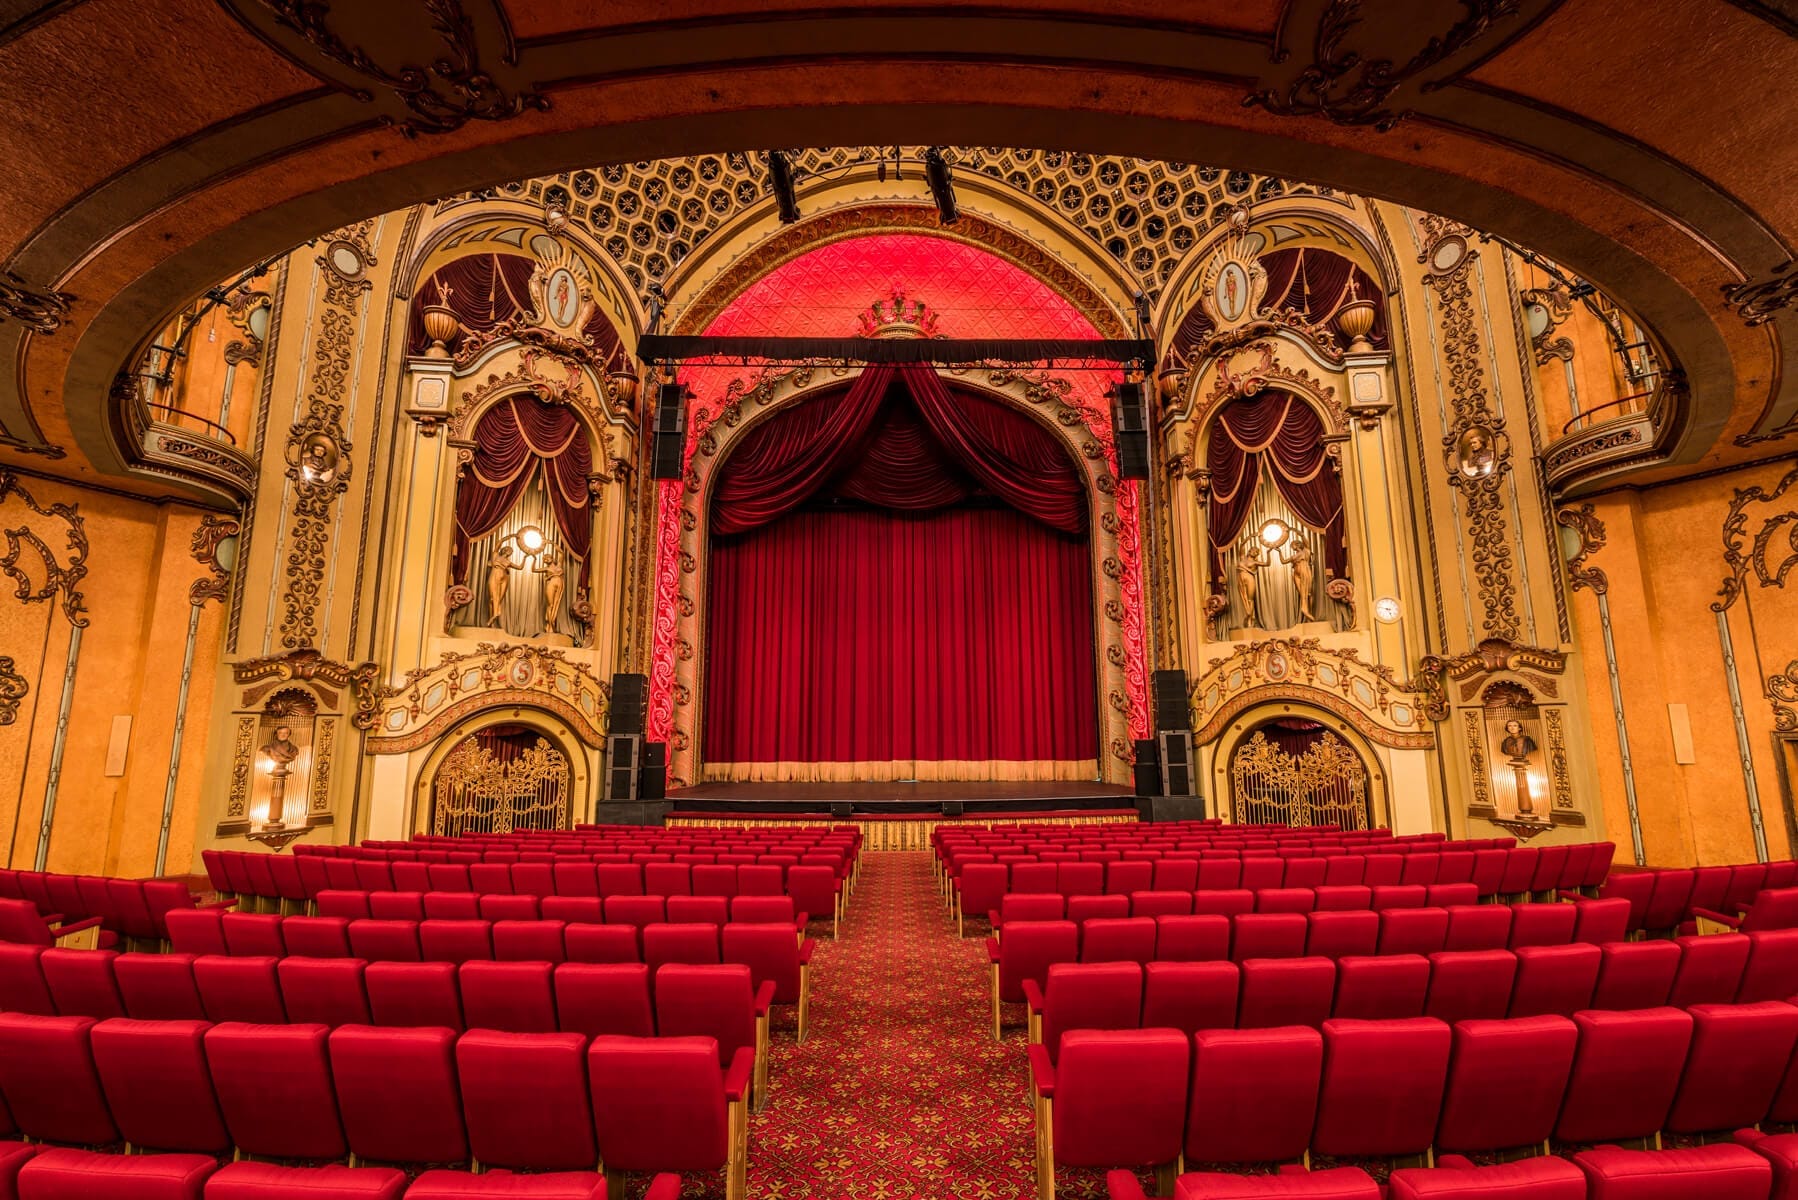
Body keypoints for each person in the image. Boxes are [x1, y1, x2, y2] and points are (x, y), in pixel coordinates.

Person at [487, 543, 522, 628]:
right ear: (505, 550)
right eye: (510, 550)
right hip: (495, 575)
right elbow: (497, 546)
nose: (511, 552)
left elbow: (520, 567)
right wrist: (506, 538)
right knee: (492, 598)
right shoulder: (496, 555)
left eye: (512, 551)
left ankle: (494, 618)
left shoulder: (508, 561)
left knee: (499, 598)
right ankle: (494, 615)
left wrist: (525, 558)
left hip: (504, 578)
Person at [1236, 537, 1266, 627]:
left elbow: (1267, 563)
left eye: (1256, 552)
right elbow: (1241, 545)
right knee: (1244, 598)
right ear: (1249, 551)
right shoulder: (1242, 557)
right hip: (1241, 578)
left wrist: (1268, 553)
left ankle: (1250, 620)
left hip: (1250, 579)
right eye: (1253, 550)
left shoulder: (1255, 562)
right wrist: (1248, 538)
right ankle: (1248, 615)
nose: (1254, 552)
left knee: (1250, 600)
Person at [1286, 532, 1314, 620]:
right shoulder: (1293, 556)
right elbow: (1283, 561)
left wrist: (1302, 535)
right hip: (1296, 574)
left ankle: (1307, 611)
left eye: (1293, 545)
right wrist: (1278, 551)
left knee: (1308, 592)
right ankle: (1305, 610)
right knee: (1302, 593)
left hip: (1304, 570)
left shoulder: (1306, 551)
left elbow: (1307, 543)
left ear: (1298, 544)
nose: (1292, 547)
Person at [537, 547, 566, 631]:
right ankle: (550, 623)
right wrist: (534, 559)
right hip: (551, 583)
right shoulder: (546, 568)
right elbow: (534, 569)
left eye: (547, 558)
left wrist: (554, 545)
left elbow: (562, 554)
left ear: (552, 558)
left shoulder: (559, 565)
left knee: (556, 603)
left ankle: (551, 622)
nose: (546, 560)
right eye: (544, 559)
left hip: (559, 583)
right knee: (550, 605)